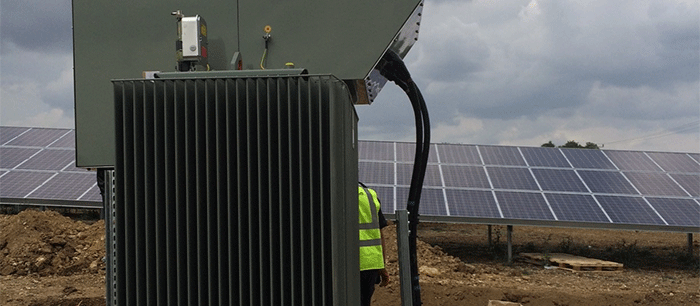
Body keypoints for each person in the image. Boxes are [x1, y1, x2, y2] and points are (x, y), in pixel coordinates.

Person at [358, 182, 389, 306]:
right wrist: (382, 265)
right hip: (371, 263)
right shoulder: (370, 195)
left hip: (346, 265)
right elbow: (379, 233)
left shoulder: (334, 193)